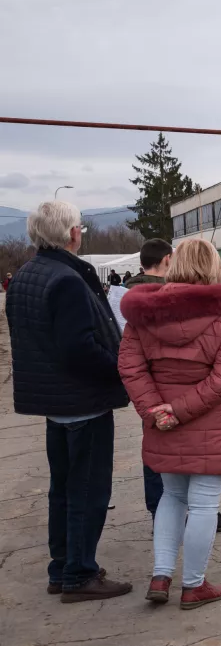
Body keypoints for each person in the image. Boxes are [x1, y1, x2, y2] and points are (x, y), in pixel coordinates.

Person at [6, 200, 133, 602]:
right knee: (88, 491)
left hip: (56, 403)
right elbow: (79, 348)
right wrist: (119, 368)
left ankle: (62, 567)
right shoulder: (67, 280)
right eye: (81, 227)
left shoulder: (28, 274)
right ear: (72, 233)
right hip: (82, 402)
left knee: (63, 489)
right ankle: (79, 573)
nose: (82, 233)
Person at [118, 238, 221, 609]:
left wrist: (156, 409)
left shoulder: (143, 314)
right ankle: (193, 585)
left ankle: (161, 576)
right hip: (209, 422)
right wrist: (179, 410)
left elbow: (130, 366)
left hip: (161, 425)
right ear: (213, 267)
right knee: (204, 504)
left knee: (171, 496)